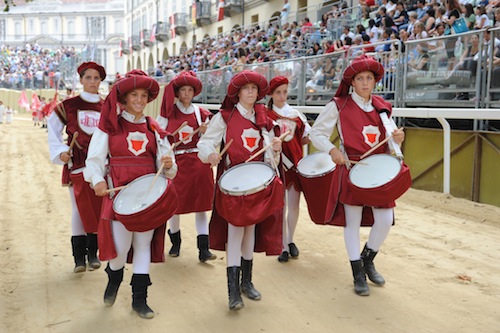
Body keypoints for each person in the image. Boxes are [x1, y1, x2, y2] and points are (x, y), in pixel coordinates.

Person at [309, 55, 406, 296]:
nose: (365, 83)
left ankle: (368, 259)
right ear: (352, 82)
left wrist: (398, 139)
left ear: (375, 81)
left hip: (378, 170)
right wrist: (332, 150)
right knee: (352, 222)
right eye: (360, 78)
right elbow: (316, 133)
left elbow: (392, 137)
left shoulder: (382, 107)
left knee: (384, 219)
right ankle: (357, 273)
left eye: (369, 78)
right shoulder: (338, 104)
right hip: (351, 169)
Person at [84, 69, 178, 319]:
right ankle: (113, 279)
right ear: (123, 99)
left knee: (144, 244)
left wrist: (168, 165)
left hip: (147, 199)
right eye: (133, 94)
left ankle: (140, 300)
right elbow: (94, 161)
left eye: (144, 95)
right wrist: (96, 180)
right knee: (120, 250)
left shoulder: (155, 129)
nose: (139, 99)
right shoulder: (109, 128)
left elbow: (169, 169)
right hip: (119, 200)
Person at [197, 70, 283, 311]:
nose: (251, 93)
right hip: (232, 184)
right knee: (235, 233)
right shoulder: (224, 117)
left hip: (256, 183)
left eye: (254, 89)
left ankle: (247, 281)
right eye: (246, 89)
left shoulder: (264, 118)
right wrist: (211, 154)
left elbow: (271, 156)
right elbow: (204, 143)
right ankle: (232, 291)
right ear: (237, 93)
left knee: (250, 231)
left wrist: (275, 148)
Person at [47, 61, 106, 273]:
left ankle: (93, 253)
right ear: (81, 80)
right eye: (88, 77)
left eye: (96, 78)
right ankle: (79, 258)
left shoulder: (107, 106)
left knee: (98, 207)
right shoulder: (68, 106)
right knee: (79, 209)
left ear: (101, 80)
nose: (92, 82)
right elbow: (53, 131)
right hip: (78, 162)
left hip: (101, 165)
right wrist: (61, 151)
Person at [156, 71, 216, 262]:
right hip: (177, 163)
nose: (187, 94)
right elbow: (158, 135)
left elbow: (212, 139)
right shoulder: (168, 113)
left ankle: (203, 248)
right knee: (175, 205)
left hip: (198, 163)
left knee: (201, 206)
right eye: (183, 90)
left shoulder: (202, 114)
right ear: (178, 92)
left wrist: (207, 131)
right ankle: (175, 242)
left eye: (190, 90)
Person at [266, 76, 311, 262]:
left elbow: (307, 137)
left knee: (293, 205)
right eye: (278, 92)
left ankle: (290, 240)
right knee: (280, 206)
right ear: (271, 94)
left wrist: (295, 147)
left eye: (284, 91)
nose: (282, 96)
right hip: (276, 165)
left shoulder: (296, 114)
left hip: (294, 165)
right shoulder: (266, 115)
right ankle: (282, 244)